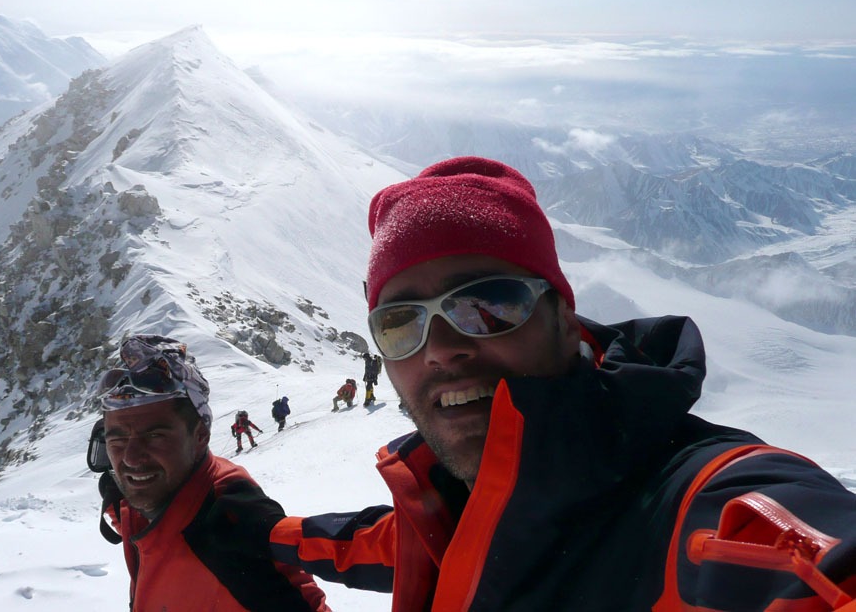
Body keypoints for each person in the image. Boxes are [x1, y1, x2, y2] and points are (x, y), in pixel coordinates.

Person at [266, 157, 856, 610]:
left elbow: (809, 559)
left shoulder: (704, 506)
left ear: (563, 319)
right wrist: (264, 533)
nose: (442, 348)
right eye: (400, 324)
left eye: (488, 305)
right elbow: (383, 542)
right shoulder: (450, 501)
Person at [90, 334, 329, 612]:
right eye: (117, 440)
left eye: (155, 435)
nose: (130, 458)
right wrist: (120, 512)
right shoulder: (146, 505)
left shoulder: (233, 537)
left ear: (200, 436)